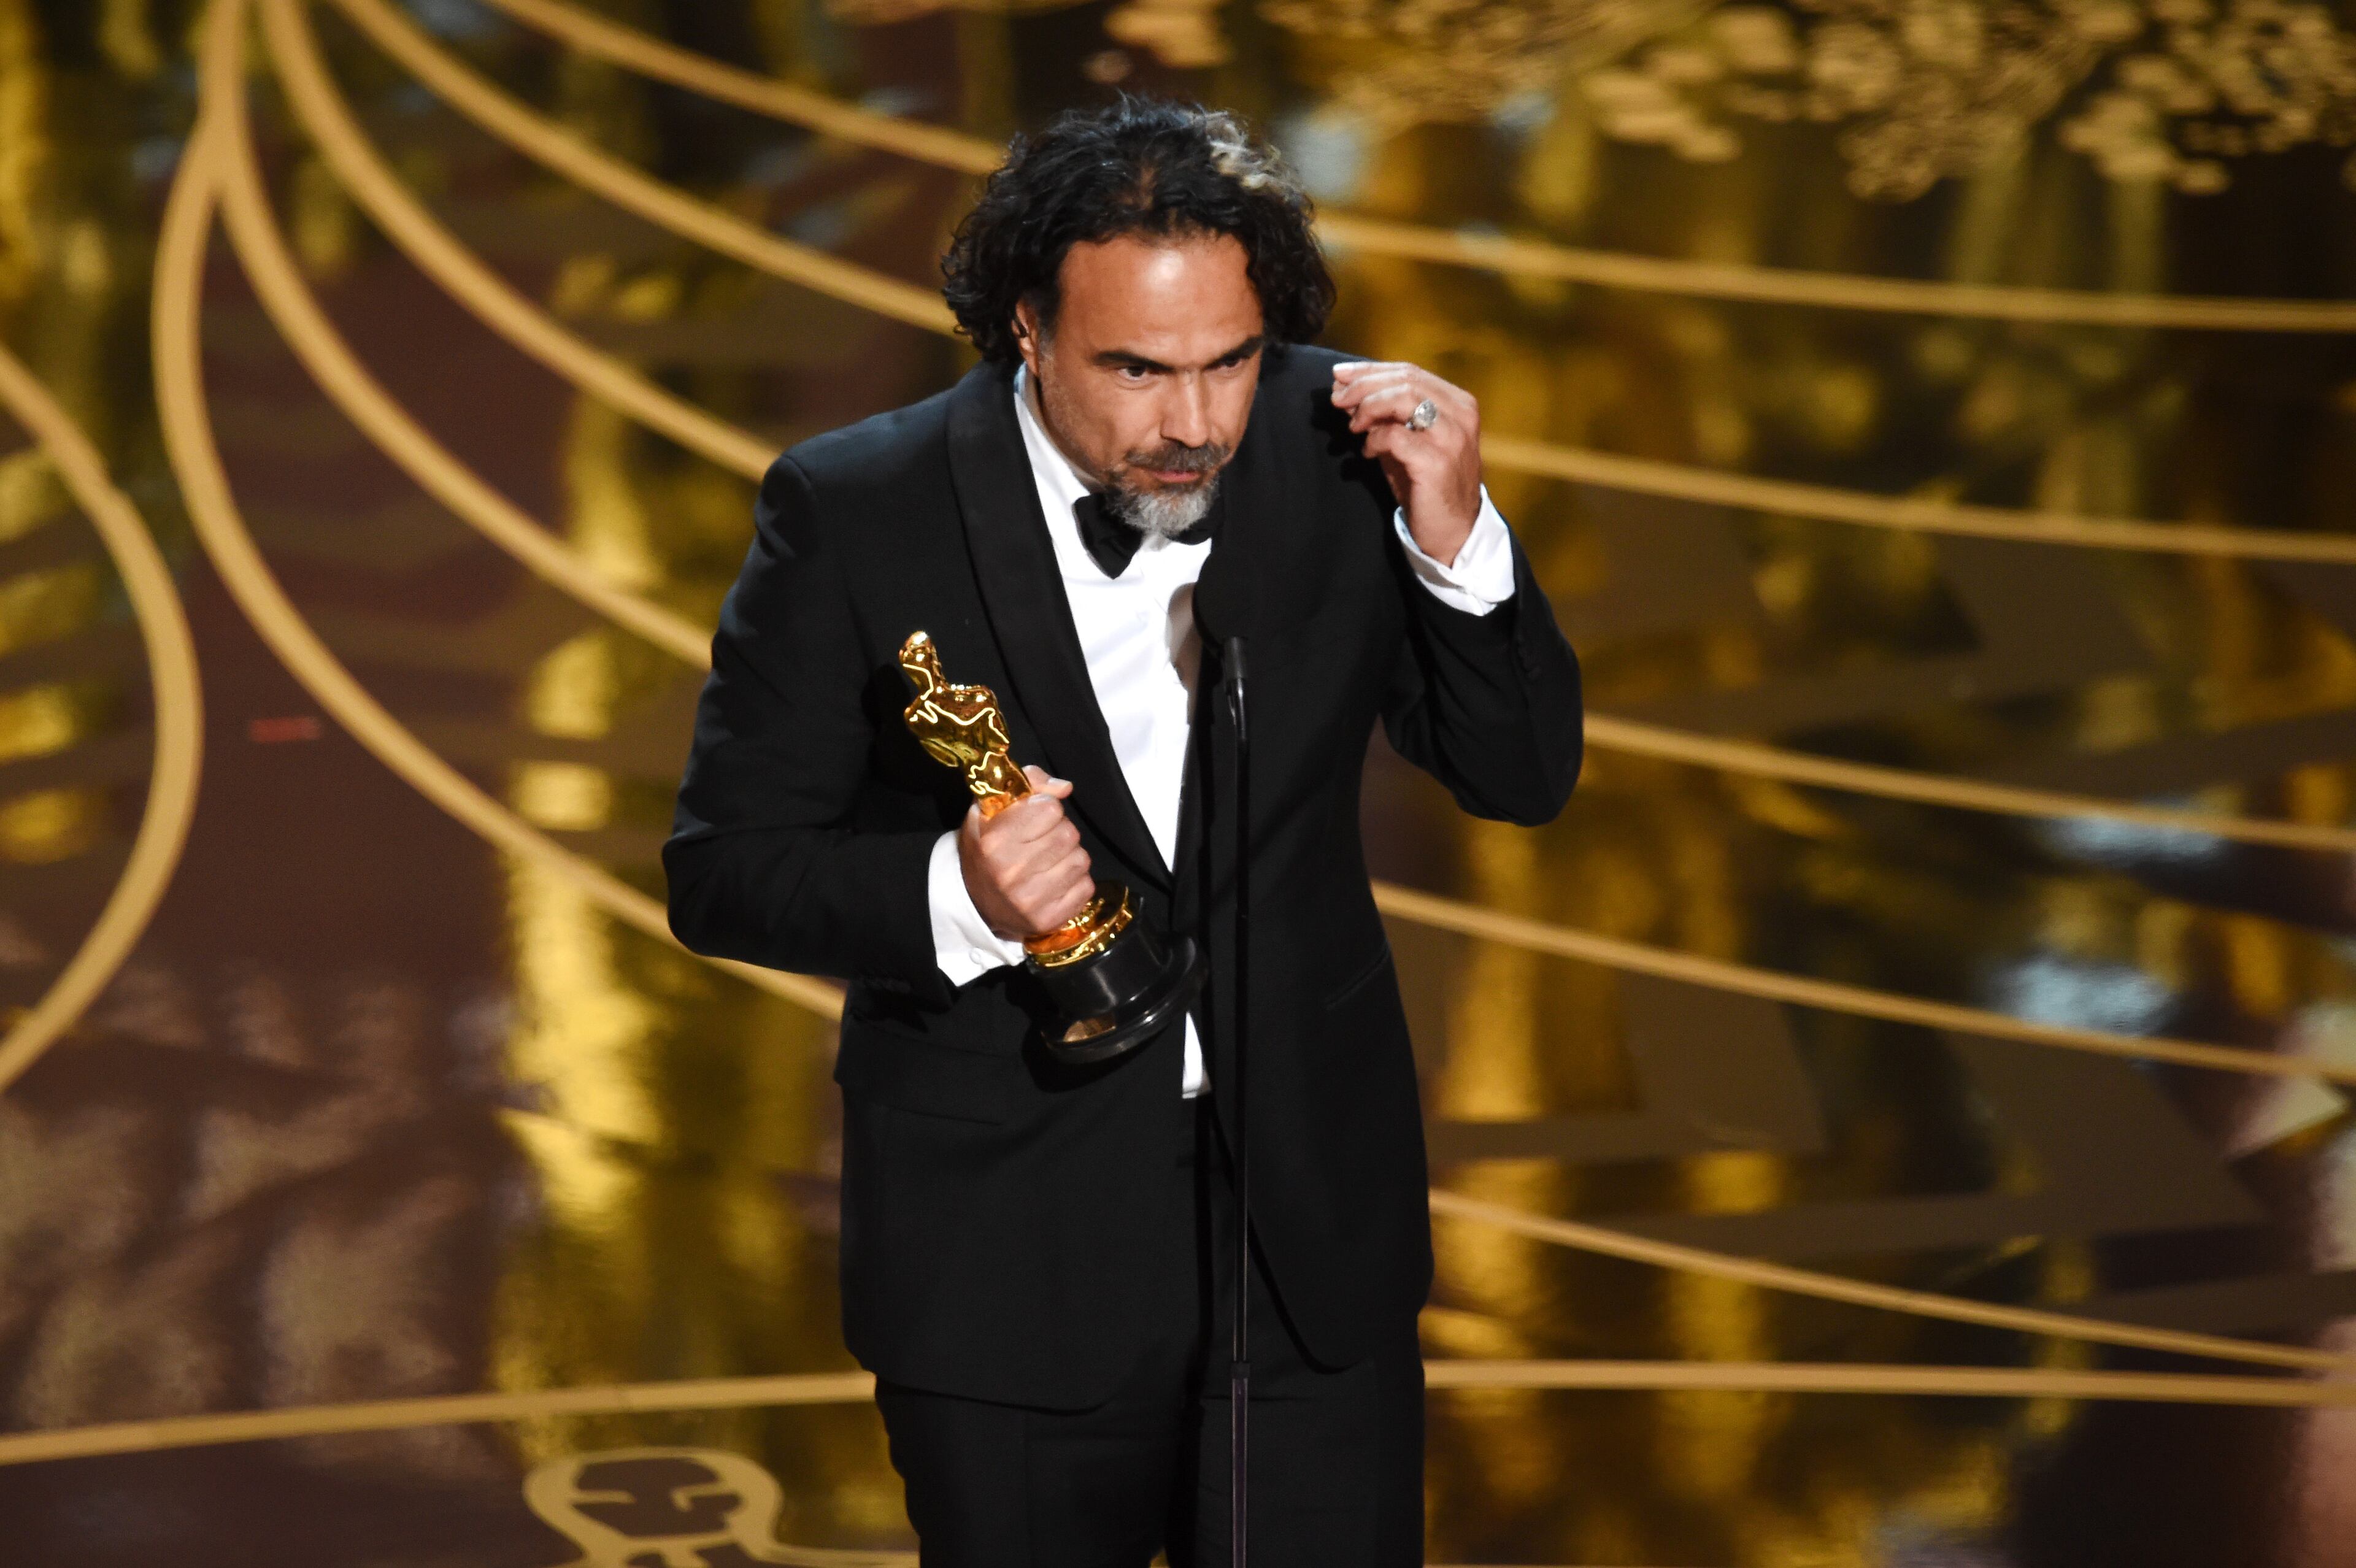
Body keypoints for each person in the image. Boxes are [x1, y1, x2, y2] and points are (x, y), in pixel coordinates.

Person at [665, 98, 1582, 1568]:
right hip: (1005, 1257)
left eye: (1231, 360)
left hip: (1308, 1237)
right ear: (1026, 330)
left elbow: (1521, 776)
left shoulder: (1348, 451)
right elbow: (725, 870)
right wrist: (958, 894)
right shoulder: (857, 509)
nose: (1195, 424)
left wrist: (1458, 543)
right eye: (1139, 370)